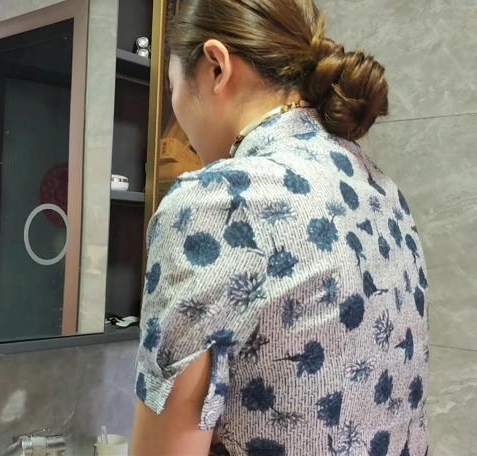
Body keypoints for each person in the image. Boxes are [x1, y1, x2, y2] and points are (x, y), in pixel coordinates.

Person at [131, 1, 428, 455]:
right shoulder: (383, 192)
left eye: (173, 88)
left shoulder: (218, 200)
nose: (180, 122)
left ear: (216, 67)